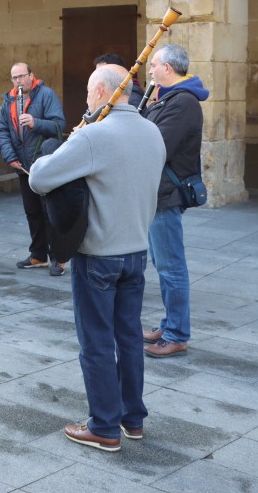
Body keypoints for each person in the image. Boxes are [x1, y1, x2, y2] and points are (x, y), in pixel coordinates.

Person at [28, 64, 165, 452]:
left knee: (97, 343)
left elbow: (40, 177)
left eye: (89, 93)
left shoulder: (95, 136)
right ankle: (132, 419)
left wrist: (76, 138)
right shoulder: (151, 130)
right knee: (129, 337)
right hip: (136, 250)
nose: (87, 101)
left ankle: (104, 425)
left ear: (102, 93)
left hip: (99, 254)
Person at [141, 43, 208, 359]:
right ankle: (169, 325)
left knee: (171, 268)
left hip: (166, 193)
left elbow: (156, 143)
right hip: (157, 191)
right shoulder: (167, 98)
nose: (150, 70)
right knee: (163, 263)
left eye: (153, 65)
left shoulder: (183, 103)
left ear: (168, 68)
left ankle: (177, 334)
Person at [0, 62, 66, 274]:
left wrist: (36, 123)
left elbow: (58, 125)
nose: (18, 81)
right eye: (14, 77)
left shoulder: (46, 95)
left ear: (31, 75)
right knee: (32, 212)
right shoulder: (9, 99)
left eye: (22, 76)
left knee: (49, 213)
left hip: (43, 164)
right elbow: (2, 131)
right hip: (22, 165)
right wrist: (10, 157)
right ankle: (38, 255)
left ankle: (58, 258)